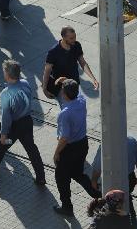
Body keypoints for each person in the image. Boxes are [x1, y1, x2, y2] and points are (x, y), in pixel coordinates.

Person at [0, 59, 45, 182]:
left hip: (13, 127)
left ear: (7, 75)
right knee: (31, 149)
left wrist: (4, 134)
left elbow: (6, 117)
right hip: (26, 123)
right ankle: (41, 177)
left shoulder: (6, 93)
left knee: (2, 144)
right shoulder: (25, 83)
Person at [53, 78, 98, 215]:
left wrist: (56, 153)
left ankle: (67, 206)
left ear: (64, 94)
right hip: (83, 144)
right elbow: (75, 91)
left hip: (69, 149)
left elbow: (64, 138)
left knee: (61, 177)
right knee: (78, 173)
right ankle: (97, 193)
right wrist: (65, 81)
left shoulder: (65, 113)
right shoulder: (81, 101)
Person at [91, 136, 137, 224]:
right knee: (126, 198)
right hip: (129, 178)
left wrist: (94, 180)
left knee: (114, 204)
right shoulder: (132, 141)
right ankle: (130, 220)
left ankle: (121, 220)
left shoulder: (105, 145)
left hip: (112, 180)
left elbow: (97, 167)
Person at [42, 26, 99, 99]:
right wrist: (44, 88)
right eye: (71, 38)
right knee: (67, 107)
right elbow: (47, 71)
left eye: (75, 37)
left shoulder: (76, 45)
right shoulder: (53, 52)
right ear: (63, 37)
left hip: (74, 84)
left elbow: (82, 62)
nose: (74, 40)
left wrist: (93, 79)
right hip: (61, 88)